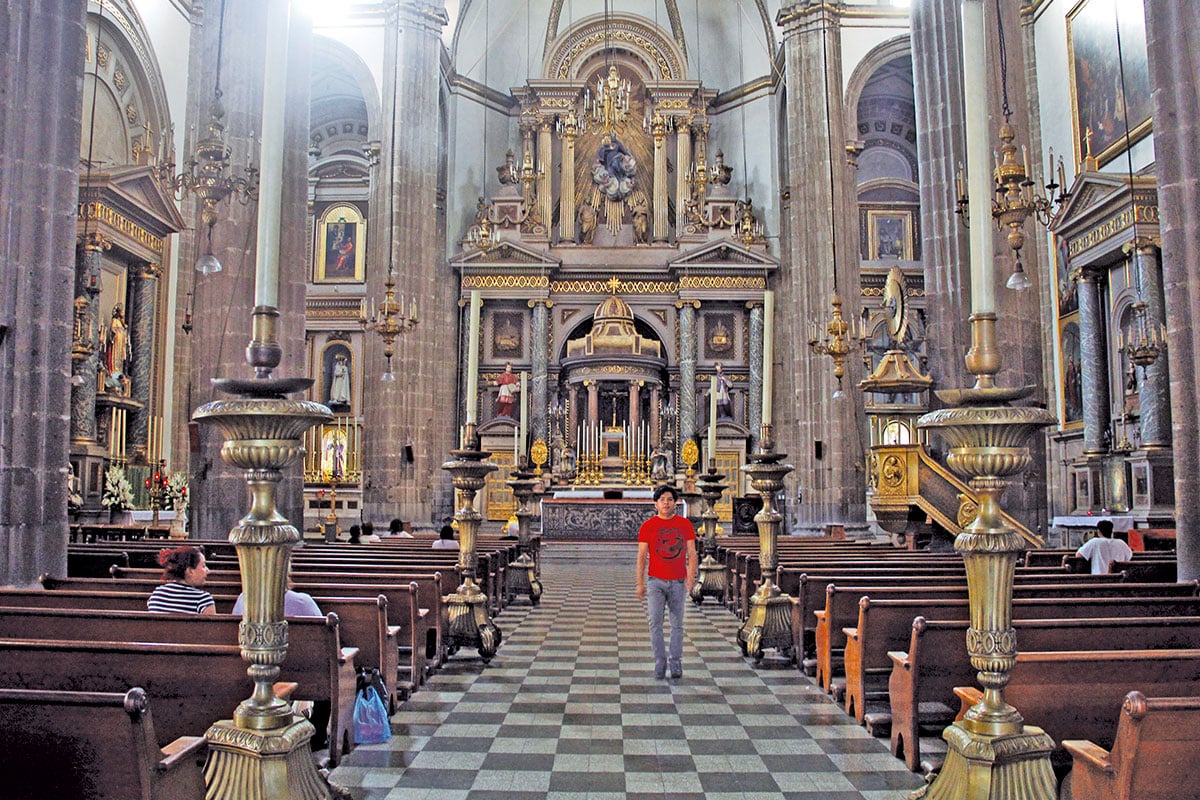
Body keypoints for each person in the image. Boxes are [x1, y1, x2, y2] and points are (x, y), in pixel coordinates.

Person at [635, 484, 698, 680]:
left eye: (670, 499)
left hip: (678, 581)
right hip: (655, 582)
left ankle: (676, 662)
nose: (666, 503)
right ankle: (660, 662)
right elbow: (642, 556)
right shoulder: (648, 526)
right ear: (656, 504)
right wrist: (640, 583)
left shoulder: (685, 524)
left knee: (677, 624)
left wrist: (691, 577)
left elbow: (692, 552)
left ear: (675, 503)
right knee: (655, 623)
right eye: (662, 500)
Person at [147, 546, 216, 615]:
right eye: (203, 566)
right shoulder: (203, 600)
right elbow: (210, 625)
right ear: (189, 571)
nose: (208, 570)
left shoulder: (157, 594)